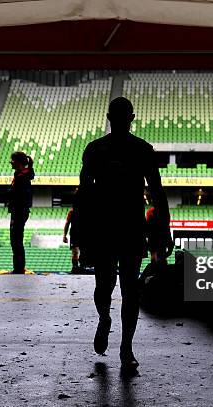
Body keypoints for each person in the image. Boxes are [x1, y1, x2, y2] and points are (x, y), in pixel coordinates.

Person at [74, 97, 172, 370]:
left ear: (109, 117)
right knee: (130, 290)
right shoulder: (143, 150)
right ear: (132, 118)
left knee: (105, 285)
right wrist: (163, 229)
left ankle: (106, 319)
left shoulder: (95, 149)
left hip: (104, 227)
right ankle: (126, 347)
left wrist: (80, 233)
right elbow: (157, 193)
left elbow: (83, 194)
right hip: (130, 227)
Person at [8, 151, 35, 274]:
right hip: (19, 211)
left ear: (18, 163)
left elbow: (19, 197)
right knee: (16, 240)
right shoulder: (22, 175)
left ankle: (18, 269)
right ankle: (18, 268)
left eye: (12, 160)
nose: (10, 162)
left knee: (16, 241)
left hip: (19, 212)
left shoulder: (21, 178)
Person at [62, 207, 81, 273]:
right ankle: (75, 267)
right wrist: (64, 235)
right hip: (74, 234)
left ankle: (83, 267)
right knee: (75, 252)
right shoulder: (72, 211)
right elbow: (67, 223)